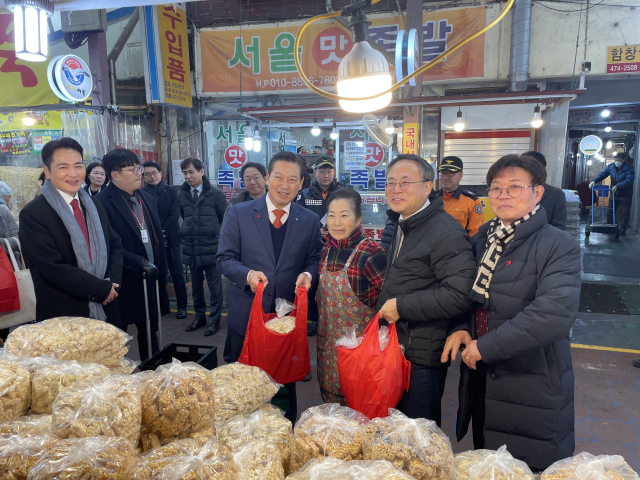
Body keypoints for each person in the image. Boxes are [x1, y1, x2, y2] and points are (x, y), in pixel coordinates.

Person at [457, 154, 580, 472]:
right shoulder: (484, 238)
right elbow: (467, 293)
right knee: (488, 460)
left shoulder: (558, 244)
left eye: (514, 187)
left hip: (531, 378)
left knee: (527, 464)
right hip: (482, 372)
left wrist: (484, 346)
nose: (503, 195)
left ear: (537, 193)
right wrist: (461, 327)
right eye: (496, 188)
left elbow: (553, 313)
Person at [217, 151, 323, 423]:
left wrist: (309, 276)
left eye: (292, 179)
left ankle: (283, 434)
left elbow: (313, 259)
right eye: (278, 177)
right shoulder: (239, 213)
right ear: (267, 178)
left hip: (285, 324)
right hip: (246, 319)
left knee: (283, 391)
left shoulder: (309, 220)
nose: (284, 185)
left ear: (301, 184)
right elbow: (225, 258)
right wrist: (248, 274)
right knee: (242, 391)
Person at [377, 153, 476, 427]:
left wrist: (400, 306)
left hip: (421, 354)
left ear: (428, 186)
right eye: (391, 182)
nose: (396, 189)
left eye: (405, 182)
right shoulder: (403, 221)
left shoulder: (444, 231)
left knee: (417, 434)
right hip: (399, 346)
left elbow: (459, 294)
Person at [18, 138, 123, 326]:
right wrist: (99, 289)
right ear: (47, 172)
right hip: (64, 311)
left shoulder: (93, 204)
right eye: (63, 167)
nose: (73, 174)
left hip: (107, 303)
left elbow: (114, 245)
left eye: (78, 166)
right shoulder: (33, 213)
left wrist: (111, 285)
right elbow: (52, 267)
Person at [316, 187, 387, 404]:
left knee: (360, 417)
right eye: (331, 215)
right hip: (327, 352)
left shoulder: (372, 253)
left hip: (361, 356)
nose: (336, 222)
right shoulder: (327, 250)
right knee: (331, 417)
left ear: (358, 218)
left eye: (344, 215)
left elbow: (388, 305)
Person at [96, 148, 167, 361]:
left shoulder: (146, 197)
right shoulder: (101, 202)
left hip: (150, 278)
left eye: (139, 168)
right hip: (124, 279)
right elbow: (107, 244)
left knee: (151, 331)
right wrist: (137, 262)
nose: (140, 173)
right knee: (118, 336)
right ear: (115, 175)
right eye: (133, 169)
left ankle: (152, 370)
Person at [177, 157, 227, 336]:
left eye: (191, 172)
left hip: (211, 248)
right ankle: (199, 317)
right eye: (185, 173)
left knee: (214, 288)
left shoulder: (215, 193)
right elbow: (184, 217)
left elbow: (224, 219)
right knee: (196, 288)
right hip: (191, 248)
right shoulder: (182, 194)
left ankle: (214, 321)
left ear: (201, 172)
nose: (188, 176)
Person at [297, 156, 342, 337]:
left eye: (329, 171)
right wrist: (316, 231)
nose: (325, 175)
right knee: (313, 286)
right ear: (315, 173)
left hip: (337, 247)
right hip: (312, 248)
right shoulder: (305, 194)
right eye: (322, 171)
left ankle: (333, 319)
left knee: (334, 285)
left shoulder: (341, 194)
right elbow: (297, 218)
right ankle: (315, 320)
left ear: (333, 173)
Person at [143, 161, 188, 320]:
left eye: (154, 172)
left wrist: (164, 232)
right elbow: (144, 217)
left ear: (161, 174)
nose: (152, 176)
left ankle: (182, 306)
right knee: (159, 274)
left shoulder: (171, 191)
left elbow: (174, 214)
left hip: (172, 238)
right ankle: (163, 306)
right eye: (147, 174)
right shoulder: (141, 193)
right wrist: (156, 233)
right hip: (153, 241)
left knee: (177, 273)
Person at [436, 156, 484, 237]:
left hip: (457, 248)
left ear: (461, 175)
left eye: (451, 173)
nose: (445, 177)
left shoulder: (472, 202)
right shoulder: (431, 199)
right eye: (443, 172)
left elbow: (475, 235)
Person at [589, 153, 635, 235]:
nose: (617, 162)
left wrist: (618, 186)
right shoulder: (611, 167)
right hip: (614, 193)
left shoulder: (629, 168)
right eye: (615, 160)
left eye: (619, 160)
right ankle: (609, 227)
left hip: (625, 194)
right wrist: (594, 180)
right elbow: (603, 174)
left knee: (624, 212)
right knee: (610, 210)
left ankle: (622, 229)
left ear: (624, 159)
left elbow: (629, 180)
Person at [522, 150, 567, 230]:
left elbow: (559, 226)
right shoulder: (511, 193)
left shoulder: (556, 195)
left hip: (544, 240)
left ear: (542, 169)